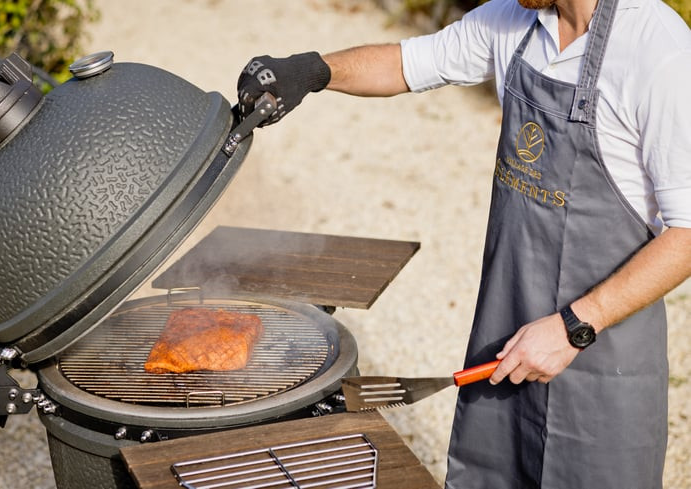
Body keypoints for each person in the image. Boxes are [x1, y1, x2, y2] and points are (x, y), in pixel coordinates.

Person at [236, 0, 691, 487]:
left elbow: (687, 234)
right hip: (504, 338)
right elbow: (406, 63)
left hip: (602, 358)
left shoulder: (656, 47)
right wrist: (314, 70)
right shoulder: (513, 20)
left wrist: (573, 327)